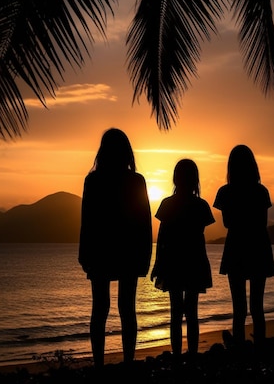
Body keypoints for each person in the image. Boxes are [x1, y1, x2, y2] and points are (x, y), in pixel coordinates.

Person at [78, 128, 152, 368]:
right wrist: (145, 255)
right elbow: (144, 221)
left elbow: (87, 220)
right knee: (126, 309)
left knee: (100, 308)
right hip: (128, 251)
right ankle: (128, 361)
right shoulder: (135, 180)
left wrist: (84, 254)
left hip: (101, 250)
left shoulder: (94, 180)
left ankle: (99, 364)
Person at [213, 145, 274, 350]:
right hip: (258, 246)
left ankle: (239, 346)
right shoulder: (261, 191)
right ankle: (259, 345)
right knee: (257, 305)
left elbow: (227, 223)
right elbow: (262, 222)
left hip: (236, 248)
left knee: (239, 306)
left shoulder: (225, 192)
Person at [151, 159, 215, 359]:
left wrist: (157, 264)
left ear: (175, 179)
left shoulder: (167, 204)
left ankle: (178, 355)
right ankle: (193, 354)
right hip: (195, 261)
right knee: (192, 312)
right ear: (195, 179)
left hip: (173, 262)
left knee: (176, 313)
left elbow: (161, 238)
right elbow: (200, 233)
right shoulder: (201, 205)